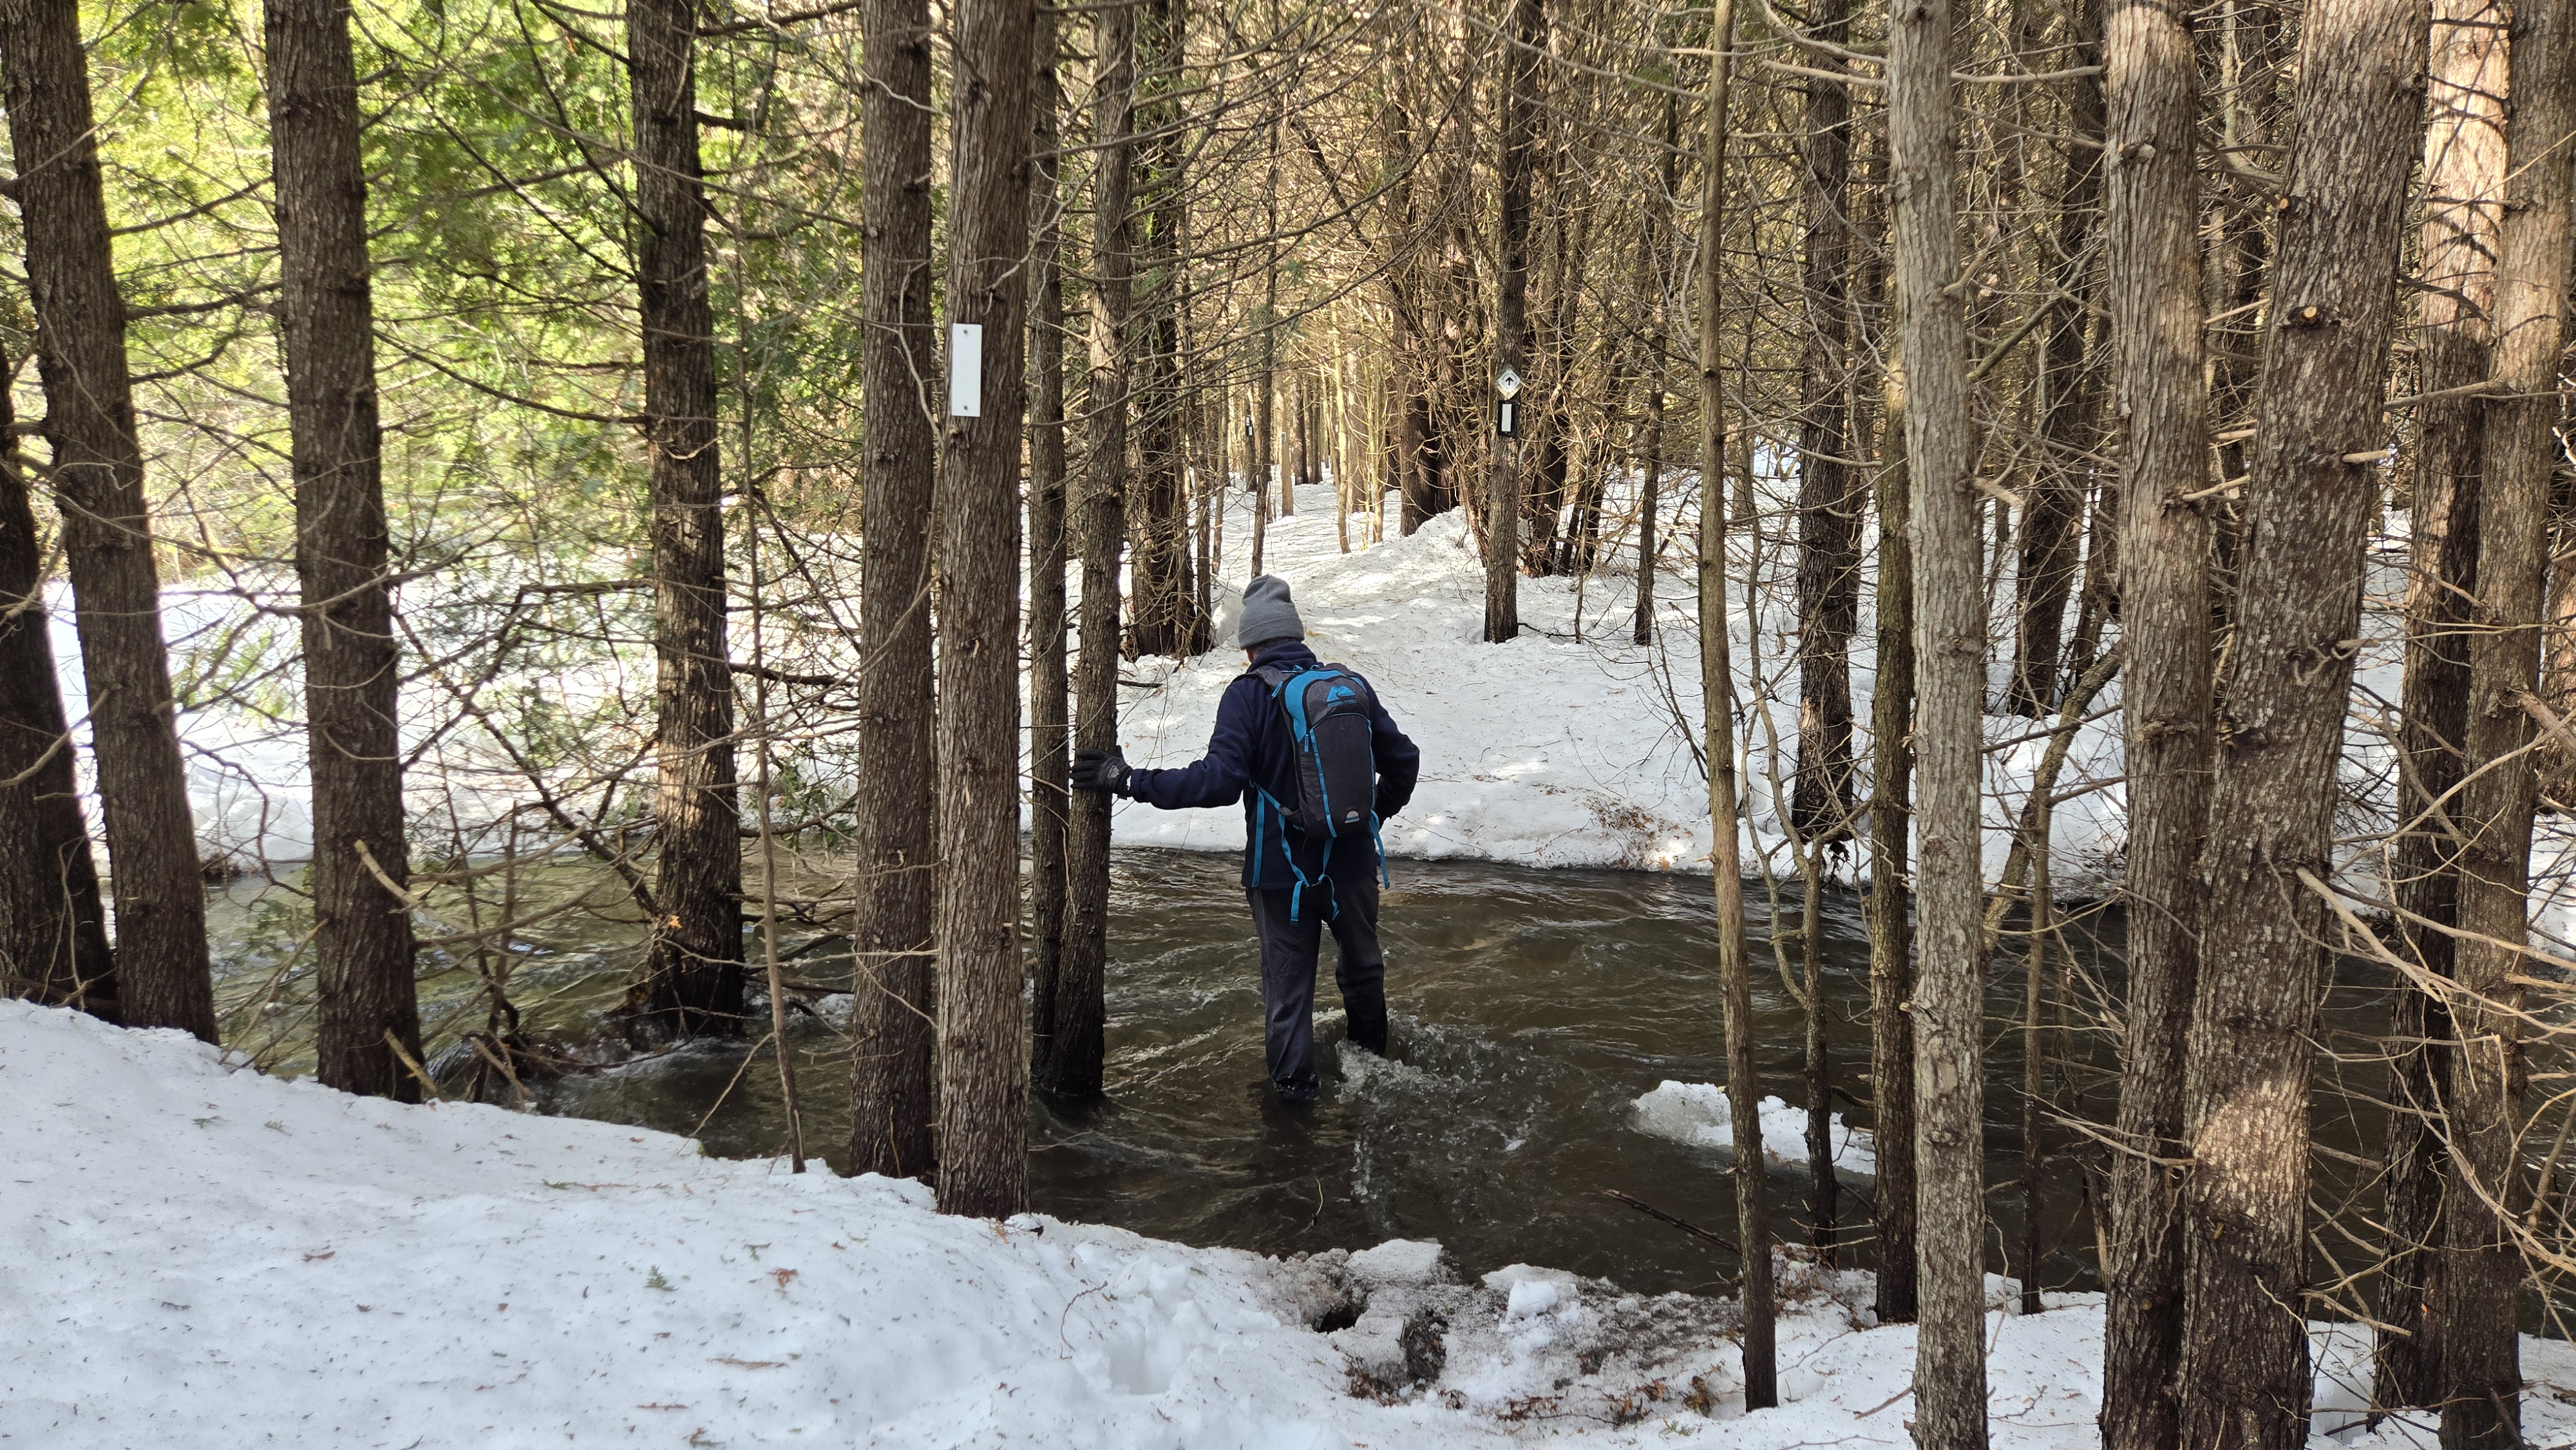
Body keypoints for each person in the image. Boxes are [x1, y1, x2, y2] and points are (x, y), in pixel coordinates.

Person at [1069, 575, 1420, 1102]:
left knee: (1289, 997)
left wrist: (1129, 780)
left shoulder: (1248, 695)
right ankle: (1372, 1076)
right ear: (1297, 636)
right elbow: (1405, 760)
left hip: (1281, 876)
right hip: (1352, 867)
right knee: (1364, 973)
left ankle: (1293, 1113)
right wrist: (1370, 819)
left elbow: (1217, 783)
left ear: (1250, 646)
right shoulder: (1350, 686)